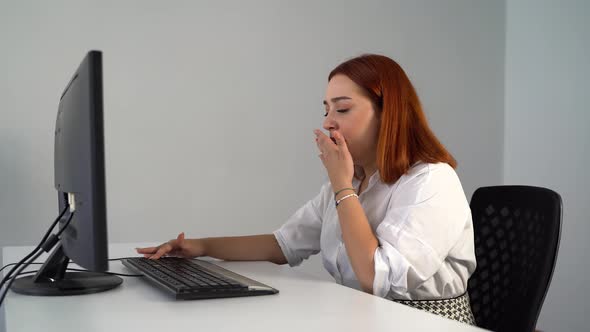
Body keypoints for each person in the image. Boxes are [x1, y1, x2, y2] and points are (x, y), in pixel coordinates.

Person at [136, 54, 477, 324]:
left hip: (424, 323)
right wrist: (198, 246)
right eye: (326, 109)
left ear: (389, 115)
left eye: (342, 108)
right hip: (366, 319)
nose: (328, 121)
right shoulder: (352, 180)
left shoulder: (431, 180)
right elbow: (283, 244)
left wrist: (342, 185)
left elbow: (375, 276)